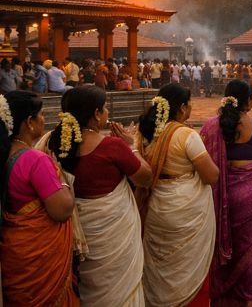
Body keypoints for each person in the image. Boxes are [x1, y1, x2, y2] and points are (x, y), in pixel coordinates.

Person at [44, 85, 153, 304]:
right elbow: (145, 178)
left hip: (82, 238)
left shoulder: (55, 144)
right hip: (114, 242)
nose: (107, 113)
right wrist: (130, 145)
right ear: (95, 114)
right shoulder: (113, 146)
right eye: (104, 109)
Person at [136, 83, 219, 306]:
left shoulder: (145, 133)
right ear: (182, 108)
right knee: (188, 265)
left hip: (157, 208)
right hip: (186, 212)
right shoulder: (186, 136)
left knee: (160, 266)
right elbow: (211, 176)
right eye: (189, 104)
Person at [200, 79, 252, 305]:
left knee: (225, 245)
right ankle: (251, 299)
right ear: (249, 100)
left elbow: (203, 160)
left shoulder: (211, 126)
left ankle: (226, 299)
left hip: (222, 193)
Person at [0, 91, 79, 305]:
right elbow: (61, 210)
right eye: (42, 114)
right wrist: (61, 177)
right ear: (29, 122)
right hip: (41, 264)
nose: (45, 119)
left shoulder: (4, 153)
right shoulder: (35, 160)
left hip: (17, 257)